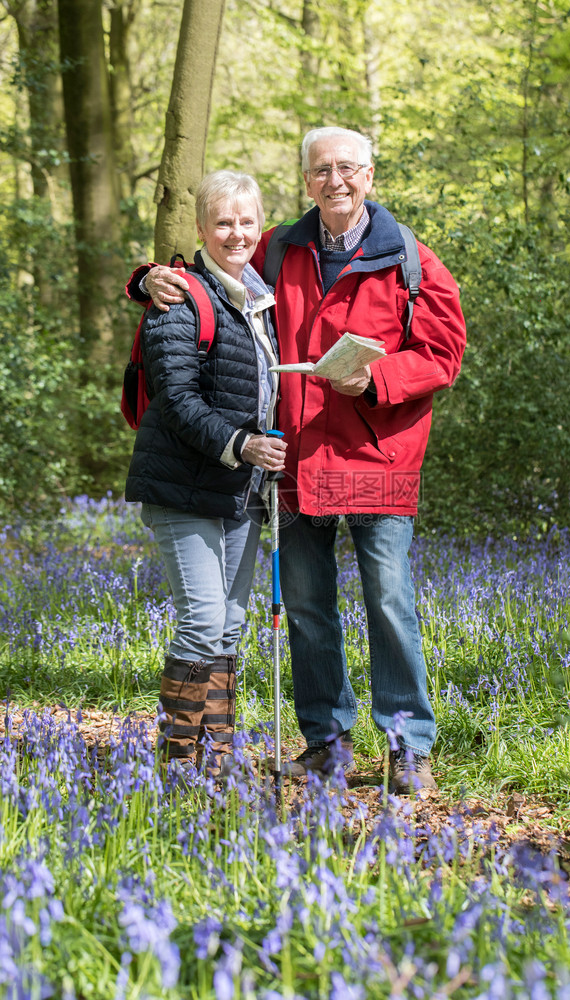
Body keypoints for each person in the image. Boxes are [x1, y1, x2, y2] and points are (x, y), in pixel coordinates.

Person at [138, 126, 466, 794]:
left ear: (370, 175)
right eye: (321, 170)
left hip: (379, 459)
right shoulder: (279, 245)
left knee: (390, 606)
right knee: (310, 611)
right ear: (306, 180)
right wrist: (148, 278)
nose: (335, 181)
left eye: (348, 168)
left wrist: (374, 381)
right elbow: (211, 262)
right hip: (296, 460)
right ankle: (326, 742)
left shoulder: (411, 259)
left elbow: (442, 355)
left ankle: (407, 748)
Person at [125, 169, 287, 779]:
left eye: (247, 221)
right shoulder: (179, 297)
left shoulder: (258, 297)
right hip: (183, 487)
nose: (236, 233)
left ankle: (217, 753)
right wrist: (241, 444)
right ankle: (176, 757)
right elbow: (176, 399)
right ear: (200, 228)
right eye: (223, 222)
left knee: (233, 621)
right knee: (202, 618)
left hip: (239, 491)